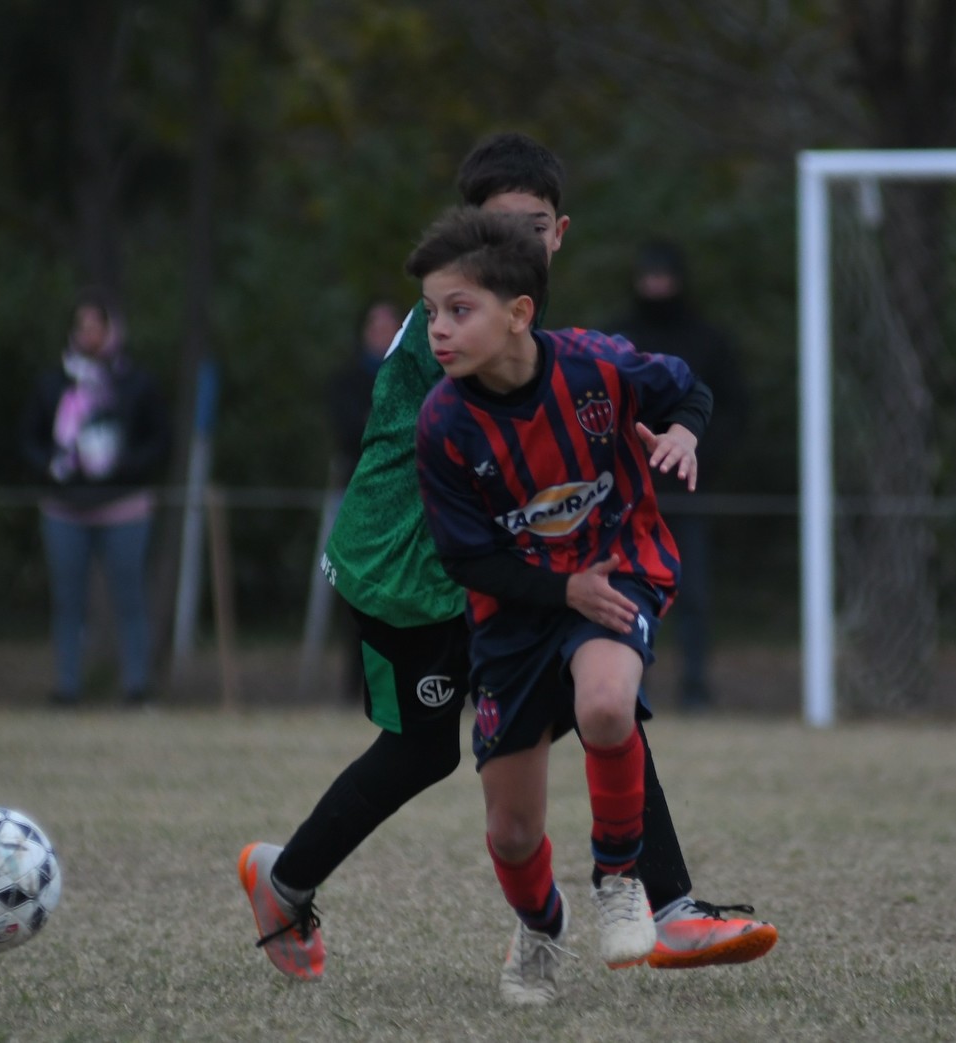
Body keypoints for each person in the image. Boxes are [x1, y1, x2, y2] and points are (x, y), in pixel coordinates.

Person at [237, 132, 775, 983]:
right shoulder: (461, 322)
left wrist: (656, 428)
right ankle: (285, 880)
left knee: (604, 690)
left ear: (559, 233)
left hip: (492, 564)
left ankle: (656, 909)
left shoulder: (519, 320)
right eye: (495, 229)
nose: (513, 246)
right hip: (408, 569)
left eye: (531, 228)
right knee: (423, 750)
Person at [411, 205, 712, 1003]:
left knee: (608, 704)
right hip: (512, 614)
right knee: (511, 832)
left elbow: (687, 386)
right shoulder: (443, 422)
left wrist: (682, 432)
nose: (438, 330)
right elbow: (464, 556)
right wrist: (555, 587)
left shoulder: (596, 366)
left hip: (616, 573)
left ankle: (619, 875)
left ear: (519, 314)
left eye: (458, 310)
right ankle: (541, 927)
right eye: (432, 312)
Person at [607, 240, 750, 711]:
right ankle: (625, 686)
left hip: (687, 494)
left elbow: (729, 407)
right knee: (623, 592)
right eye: (649, 276)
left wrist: (695, 454)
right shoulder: (618, 338)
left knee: (693, 595)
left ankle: (695, 688)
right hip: (624, 494)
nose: (656, 286)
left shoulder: (706, 340)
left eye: (664, 276)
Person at [20, 290, 170, 707]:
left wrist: (121, 464)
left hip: (125, 506)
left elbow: (160, 440)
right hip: (65, 507)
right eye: (82, 325)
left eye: (96, 324)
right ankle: (67, 687)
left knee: (130, 597)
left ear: (110, 329)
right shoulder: (53, 382)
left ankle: (137, 687)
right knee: (68, 601)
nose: (89, 333)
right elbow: (28, 439)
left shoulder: (135, 382)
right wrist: (53, 464)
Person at [325, 299, 404, 701]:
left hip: (404, 500)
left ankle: (398, 686)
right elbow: (351, 431)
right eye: (375, 324)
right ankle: (353, 686)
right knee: (357, 595)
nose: (382, 332)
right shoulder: (345, 382)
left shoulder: (416, 378)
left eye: (390, 325)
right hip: (359, 499)